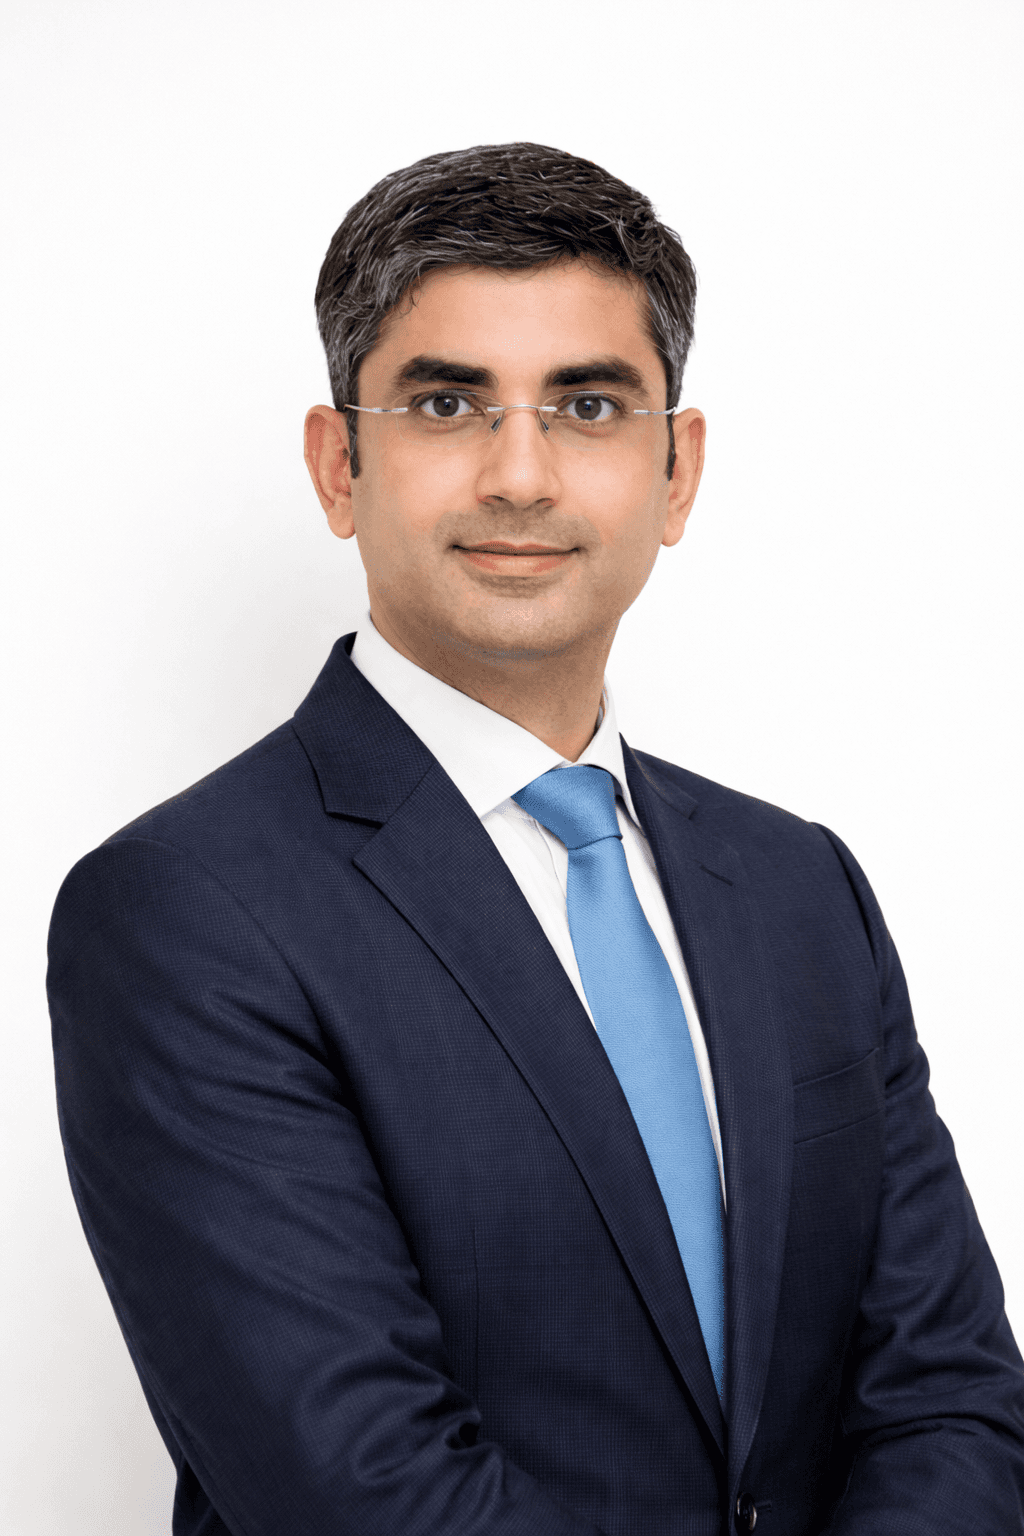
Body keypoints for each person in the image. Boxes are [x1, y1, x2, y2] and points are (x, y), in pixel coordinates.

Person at [48, 142, 1024, 1536]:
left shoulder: (799, 886)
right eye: (448, 403)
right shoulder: (185, 912)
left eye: (588, 405)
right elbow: (362, 1494)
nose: (520, 475)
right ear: (339, 465)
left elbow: (951, 1397)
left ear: (677, 472)